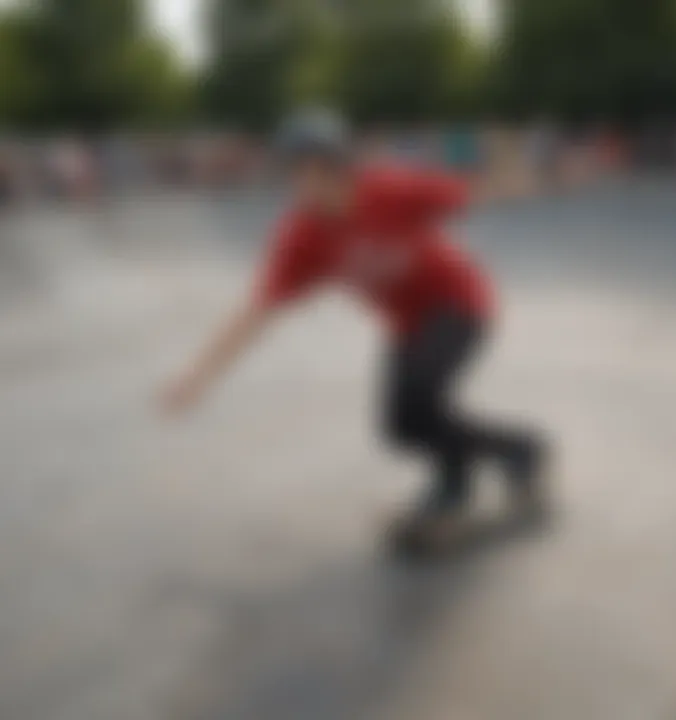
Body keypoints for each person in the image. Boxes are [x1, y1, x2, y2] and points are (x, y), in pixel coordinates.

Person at [160, 110, 549, 550]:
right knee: (400, 427)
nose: (300, 187)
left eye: (311, 173)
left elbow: (477, 192)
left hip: (460, 304)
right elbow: (257, 310)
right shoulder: (301, 235)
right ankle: (465, 476)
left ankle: (515, 454)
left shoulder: (391, 189)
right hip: (407, 324)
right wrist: (200, 375)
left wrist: (524, 171)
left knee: (421, 395)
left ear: (339, 168)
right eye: (293, 175)